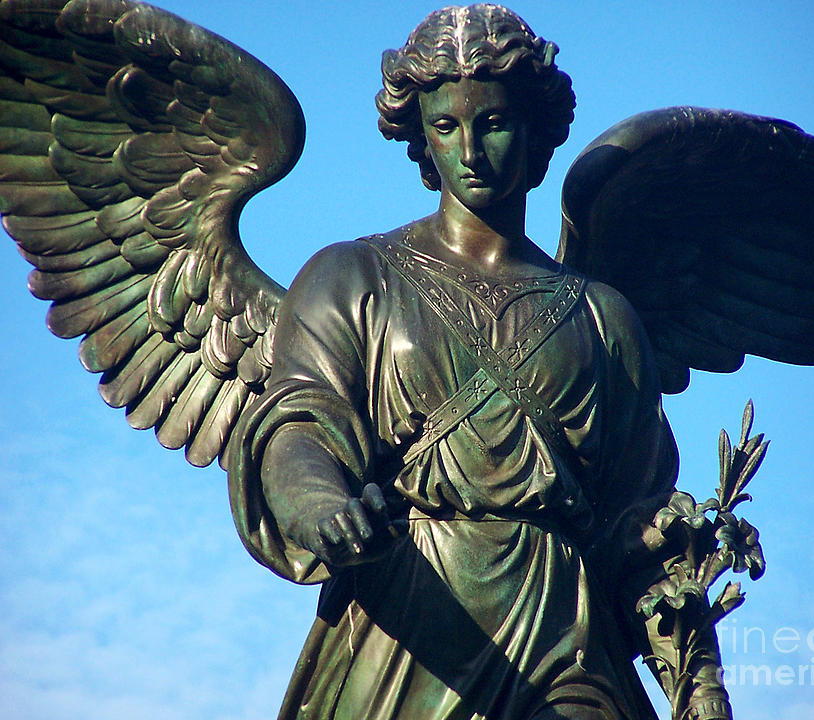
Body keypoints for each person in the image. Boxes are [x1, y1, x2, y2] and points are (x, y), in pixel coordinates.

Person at [228, 5, 729, 719]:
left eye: (492, 122)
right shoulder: (351, 278)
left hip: (569, 636)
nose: (470, 149)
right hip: (412, 627)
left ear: (534, 129)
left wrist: (693, 665)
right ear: (420, 136)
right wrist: (324, 510)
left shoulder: (602, 317)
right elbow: (298, 427)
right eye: (446, 126)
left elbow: (636, 521)